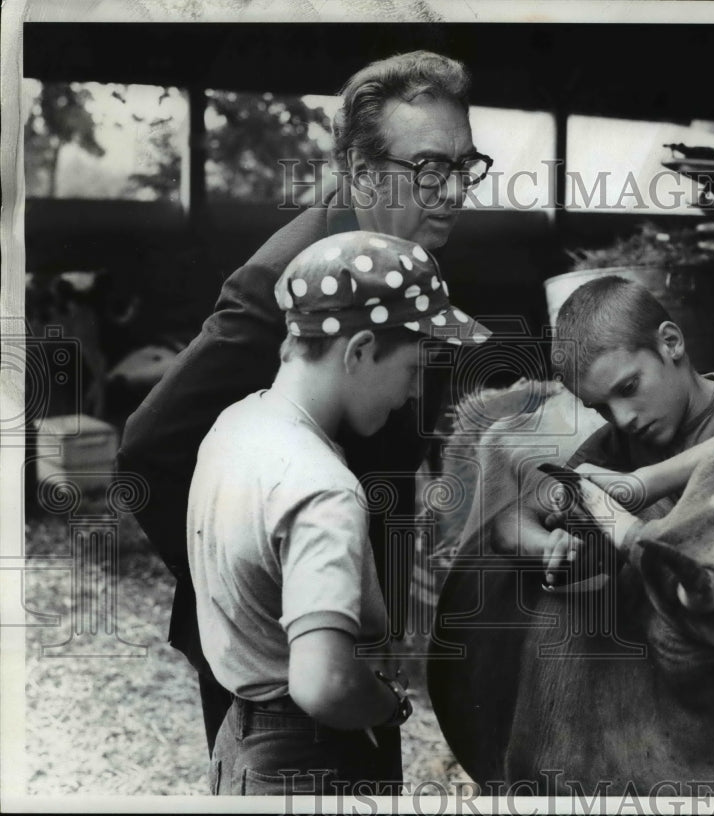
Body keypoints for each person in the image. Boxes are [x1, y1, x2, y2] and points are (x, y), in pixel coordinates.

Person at [117, 50, 492, 754]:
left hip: (351, 616)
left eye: (465, 167)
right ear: (358, 170)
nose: (452, 193)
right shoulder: (280, 281)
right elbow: (147, 447)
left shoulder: (417, 255)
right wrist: (253, 593)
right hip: (277, 655)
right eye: (430, 169)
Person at [190, 231, 491, 795]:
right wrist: (389, 706)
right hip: (313, 759)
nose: (412, 393)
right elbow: (324, 682)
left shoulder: (235, 428)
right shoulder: (322, 489)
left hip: (243, 741)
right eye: (414, 367)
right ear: (358, 351)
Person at [497, 275, 714, 578]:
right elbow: (508, 521)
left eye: (628, 388)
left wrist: (643, 485)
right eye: (601, 407)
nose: (623, 418)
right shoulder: (617, 444)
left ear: (671, 343)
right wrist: (549, 547)